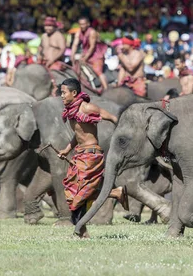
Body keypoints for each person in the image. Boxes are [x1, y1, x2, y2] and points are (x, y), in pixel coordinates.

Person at [56, 78, 128, 238]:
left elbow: (111, 117)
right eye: (61, 92)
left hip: (91, 155)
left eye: (64, 92)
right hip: (80, 154)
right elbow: (78, 134)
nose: (61, 96)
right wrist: (66, 150)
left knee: (79, 193)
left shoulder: (87, 108)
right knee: (73, 191)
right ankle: (116, 192)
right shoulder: (71, 112)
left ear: (74, 93)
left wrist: (122, 134)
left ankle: (81, 231)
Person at [70, 17, 109, 91]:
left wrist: (85, 58)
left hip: (96, 55)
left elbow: (92, 47)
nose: (82, 26)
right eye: (80, 24)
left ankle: (106, 88)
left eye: (84, 24)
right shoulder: (78, 32)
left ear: (88, 24)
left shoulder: (92, 32)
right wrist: (72, 55)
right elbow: (75, 44)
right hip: (85, 53)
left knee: (97, 70)